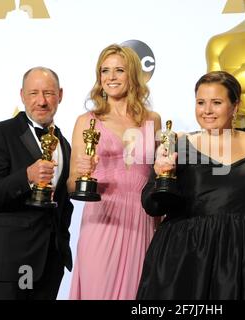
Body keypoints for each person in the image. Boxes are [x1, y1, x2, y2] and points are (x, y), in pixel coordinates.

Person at [137, 71, 245, 299]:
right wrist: (161, 176)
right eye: (200, 102)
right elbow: (152, 205)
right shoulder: (179, 145)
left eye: (216, 102)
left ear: (235, 106)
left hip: (243, 256)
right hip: (187, 256)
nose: (206, 110)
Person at [68, 44, 161, 300]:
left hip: (142, 220)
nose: (110, 77)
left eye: (119, 70)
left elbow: (158, 174)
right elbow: (70, 184)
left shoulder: (153, 119)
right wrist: (80, 172)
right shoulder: (86, 121)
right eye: (104, 71)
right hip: (103, 217)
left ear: (132, 74)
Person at [0, 67, 74, 300]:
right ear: (21, 95)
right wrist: (27, 176)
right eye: (33, 93)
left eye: (48, 93)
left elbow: (63, 204)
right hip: (9, 264)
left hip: (49, 265)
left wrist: (61, 249)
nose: (41, 101)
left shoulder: (65, 144)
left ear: (60, 95)